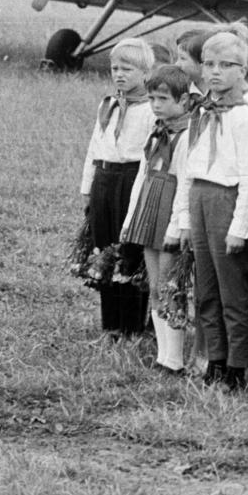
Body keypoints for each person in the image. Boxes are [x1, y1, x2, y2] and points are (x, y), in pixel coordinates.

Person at [175, 27, 248, 390]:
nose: (215, 72)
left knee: (232, 290)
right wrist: (184, 219)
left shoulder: (246, 117)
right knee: (206, 288)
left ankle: (236, 366)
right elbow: (188, 167)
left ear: (242, 71)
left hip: (227, 200)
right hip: (199, 197)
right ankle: (214, 359)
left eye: (225, 65)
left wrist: (239, 227)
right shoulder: (200, 112)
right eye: (209, 64)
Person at [79, 38, 156, 337]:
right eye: (115, 69)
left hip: (131, 179)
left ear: (146, 73)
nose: (119, 75)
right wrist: (88, 187)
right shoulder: (108, 105)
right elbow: (95, 145)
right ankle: (110, 323)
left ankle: (131, 325)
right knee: (104, 248)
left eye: (128, 69)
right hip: (104, 178)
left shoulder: (150, 109)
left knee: (129, 250)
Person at [119, 63, 191, 372]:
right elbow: (142, 174)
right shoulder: (157, 131)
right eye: (152, 99)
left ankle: (175, 357)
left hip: (170, 209)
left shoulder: (187, 135)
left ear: (183, 100)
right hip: (149, 205)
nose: (156, 105)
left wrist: (177, 224)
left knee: (169, 283)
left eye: (163, 99)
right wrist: (129, 219)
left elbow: (185, 182)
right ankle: (163, 354)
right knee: (154, 284)